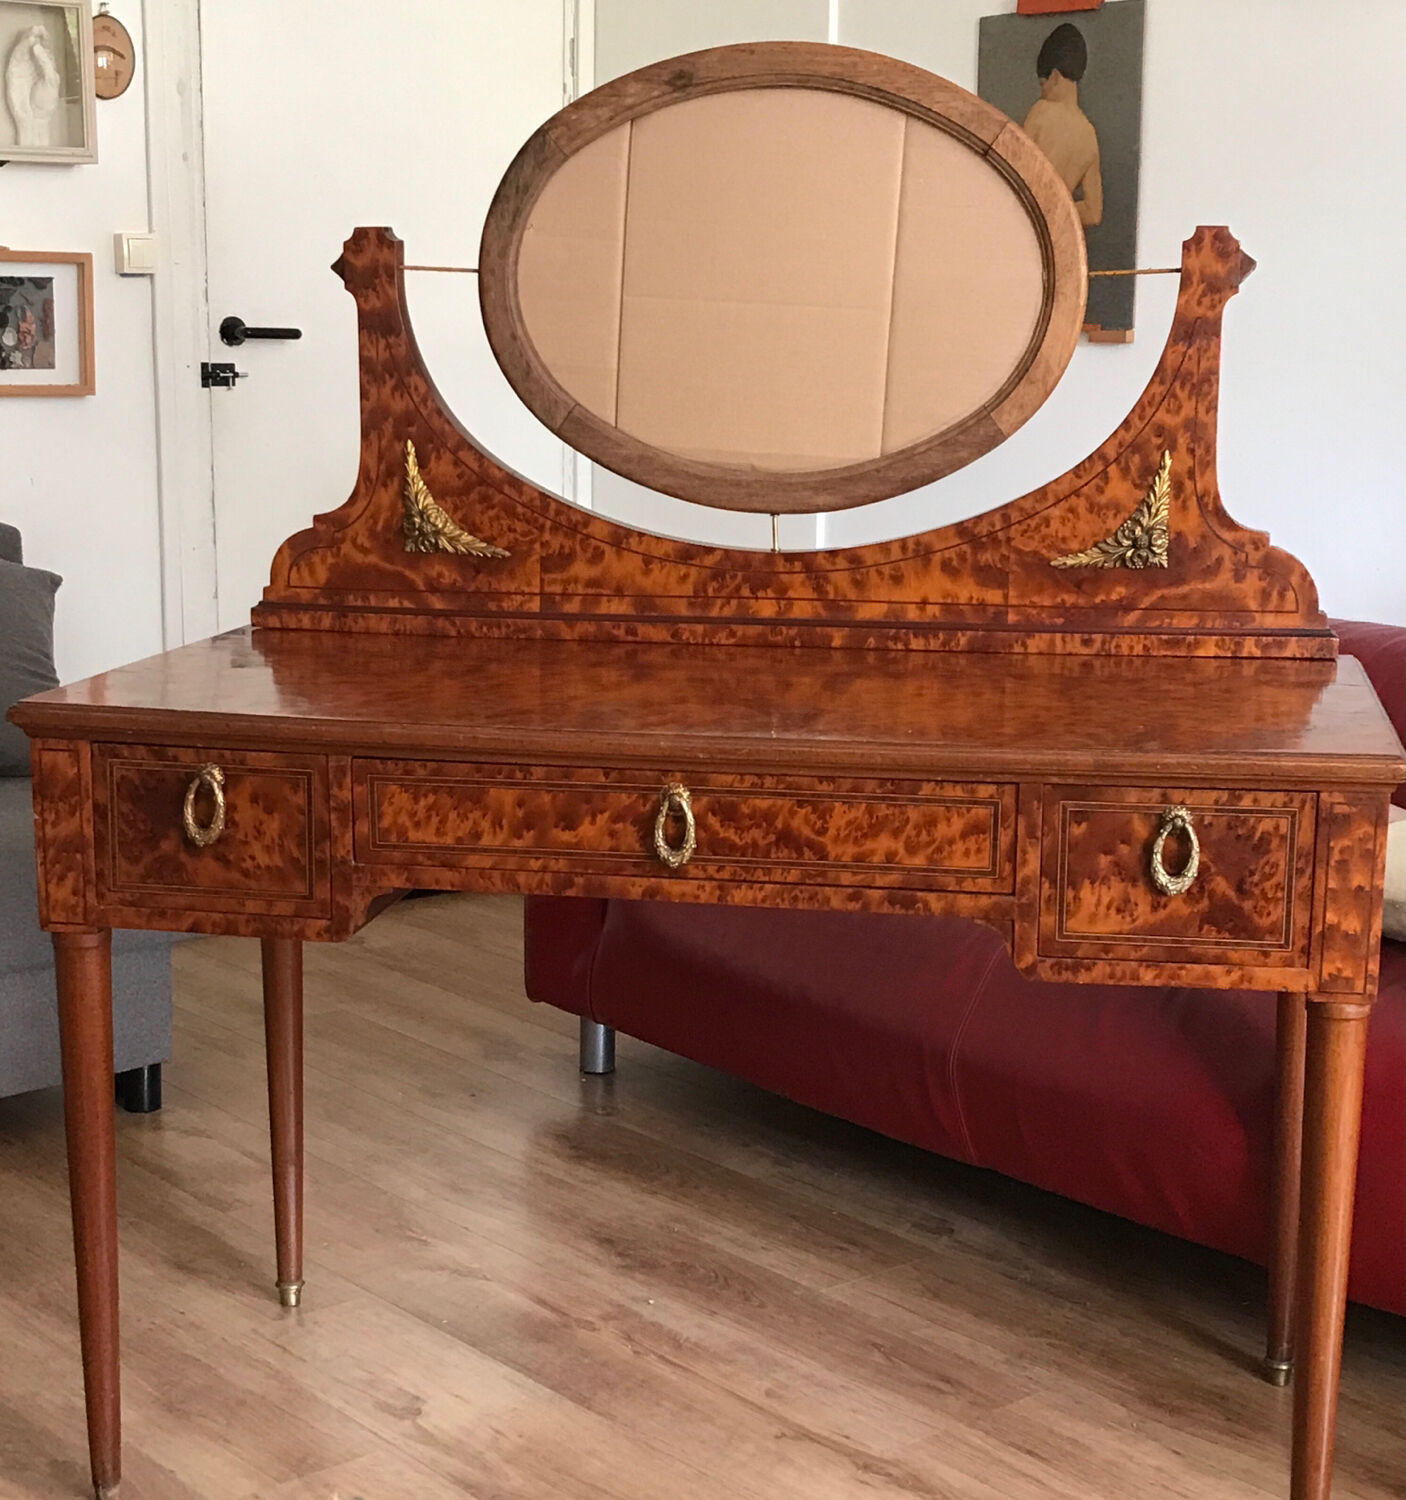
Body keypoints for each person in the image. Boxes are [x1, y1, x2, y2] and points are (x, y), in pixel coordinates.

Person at [1022, 22, 1102, 229]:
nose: (1042, 91)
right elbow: (1093, 213)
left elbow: (1017, 171)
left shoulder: (1041, 112)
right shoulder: (1088, 133)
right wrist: (1055, 208)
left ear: (1055, 77)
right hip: (1055, 231)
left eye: (1043, 84)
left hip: (1024, 222)